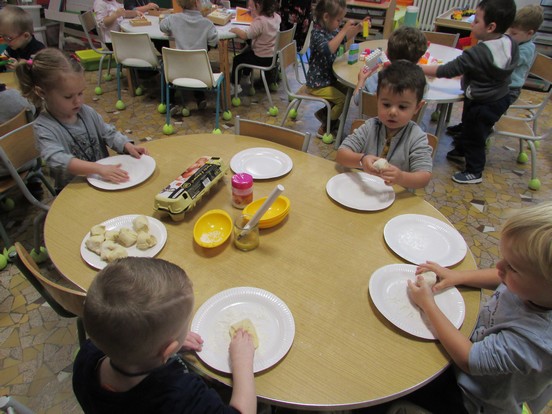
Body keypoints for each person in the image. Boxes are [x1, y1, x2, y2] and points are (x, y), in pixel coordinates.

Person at [405, 201, 552, 414]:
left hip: (473, 396)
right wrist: (459, 276)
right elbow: (498, 277)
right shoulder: (537, 287)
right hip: (470, 356)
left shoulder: (535, 341)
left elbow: (468, 358)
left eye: (512, 267)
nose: (499, 267)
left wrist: (428, 304)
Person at [73, 257, 257, 413]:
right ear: (167, 349)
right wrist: (242, 364)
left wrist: (165, 341)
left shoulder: (86, 358)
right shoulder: (182, 397)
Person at [15, 48, 148, 189]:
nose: (78, 101)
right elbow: (58, 159)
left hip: (103, 180)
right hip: (73, 188)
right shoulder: (43, 127)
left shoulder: (86, 112)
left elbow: (108, 133)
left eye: (80, 93)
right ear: (42, 92)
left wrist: (126, 145)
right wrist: (98, 168)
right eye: (68, 96)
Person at [420, 0, 518, 185]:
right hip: (500, 97)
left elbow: (447, 70)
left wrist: (420, 68)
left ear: (490, 27)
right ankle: (461, 147)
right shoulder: (510, 42)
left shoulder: (478, 53)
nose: (471, 24)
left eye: (476, 20)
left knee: (476, 136)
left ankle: (474, 171)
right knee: (472, 126)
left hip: (483, 102)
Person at [447, 4, 544, 139]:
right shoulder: (513, 43)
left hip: (508, 90)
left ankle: (474, 134)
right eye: (508, 31)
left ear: (529, 33)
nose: (509, 35)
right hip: (496, 85)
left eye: (514, 33)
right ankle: (466, 126)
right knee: (470, 100)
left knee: (480, 109)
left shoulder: (525, 49)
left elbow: (501, 63)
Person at [336, 60, 432, 190]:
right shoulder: (370, 126)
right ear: (377, 100)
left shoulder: (416, 137)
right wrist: (362, 160)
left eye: (402, 107)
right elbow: (341, 155)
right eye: (386, 104)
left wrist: (401, 177)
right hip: (367, 190)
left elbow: (424, 177)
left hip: (396, 197)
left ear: (417, 107)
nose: (392, 112)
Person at [306, 0, 366, 141]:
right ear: (326, 17)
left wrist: (357, 28)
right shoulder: (317, 34)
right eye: (338, 20)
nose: (339, 24)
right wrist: (344, 29)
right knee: (342, 100)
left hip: (328, 79)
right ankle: (325, 127)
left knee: (348, 90)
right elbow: (328, 49)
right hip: (317, 84)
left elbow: (343, 38)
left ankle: (324, 114)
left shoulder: (330, 30)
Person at [160, 0, 218, 110]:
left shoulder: (174, 19)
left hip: (179, 69)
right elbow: (213, 42)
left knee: (165, 66)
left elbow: (162, 26)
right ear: (197, 3)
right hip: (201, 70)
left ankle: (169, 102)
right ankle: (200, 97)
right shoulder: (207, 23)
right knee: (196, 59)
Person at [352, 26, 427, 105]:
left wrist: (361, 80)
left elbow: (357, 100)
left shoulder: (377, 78)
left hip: (376, 116)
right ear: (419, 59)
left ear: (387, 54)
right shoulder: (421, 83)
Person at [229, 0, 281, 95]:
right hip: (272, 56)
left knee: (237, 59)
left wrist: (236, 30)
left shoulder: (259, 21)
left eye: (252, 6)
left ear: (258, 6)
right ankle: (246, 76)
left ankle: (234, 86)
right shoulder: (276, 17)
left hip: (261, 57)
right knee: (248, 51)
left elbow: (245, 35)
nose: (250, 8)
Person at [0, 5, 45, 72]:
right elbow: (2, 59)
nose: (6, 42)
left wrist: (19, 67)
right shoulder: (13, 47)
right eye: (2, 36)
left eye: (9, 38)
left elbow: (38, 71)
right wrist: (4, 62)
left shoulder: (38, 50)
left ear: (26, 36)